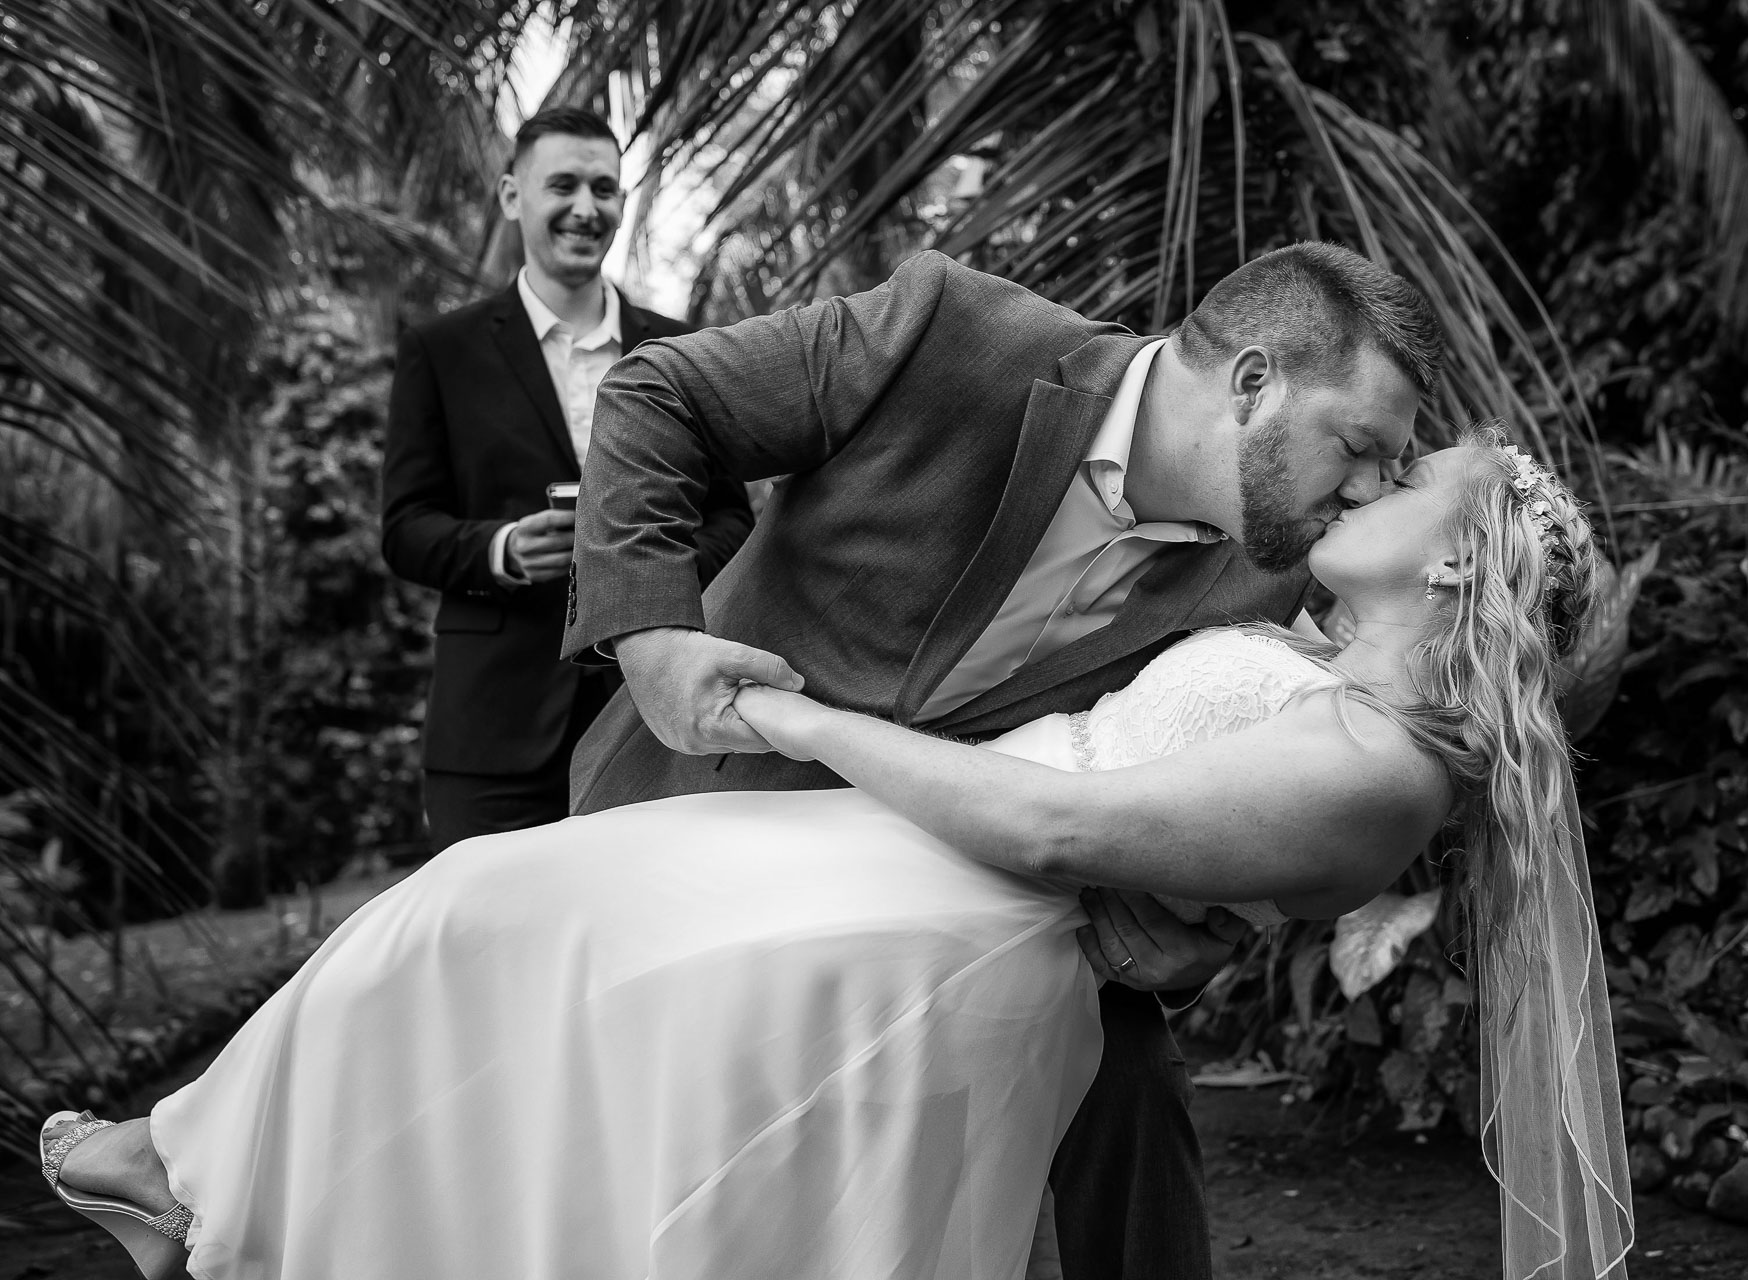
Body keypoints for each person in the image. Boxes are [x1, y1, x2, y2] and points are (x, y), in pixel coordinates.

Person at [40, 428, 1633, 1280]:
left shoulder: (1383, 773)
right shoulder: (1324, 677)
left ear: (1461, 559)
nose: (1383, 472)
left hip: (940, 924)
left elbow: (1062, 824)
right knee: (502, 940)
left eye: (1422, 478)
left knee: (653, 1134)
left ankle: (199, 1179)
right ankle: (202, 1174)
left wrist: (798, 730)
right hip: (900, 871)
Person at [562, 243, 1438, 1279]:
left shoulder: (1264, 590)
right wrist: (652, 640)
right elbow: (659, 394)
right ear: (1253, 383)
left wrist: (1189, 948)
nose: (1375, 488)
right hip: (685, 821)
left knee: (1132, 1080)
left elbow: (1189, 811)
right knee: (625, 1202)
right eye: (1361, 444)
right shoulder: (951, 332)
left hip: (934, 918)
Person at [380, 105, 753, 852]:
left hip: (654, 720)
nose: (587, 208)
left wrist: (645, 567)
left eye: (604, 188)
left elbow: (733, 523)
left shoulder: (683, 349)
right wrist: (502, 549)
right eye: (563, 186)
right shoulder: (440, 350)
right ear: (513, 195)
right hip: (492, 732)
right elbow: (404, 529)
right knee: (497, 954)